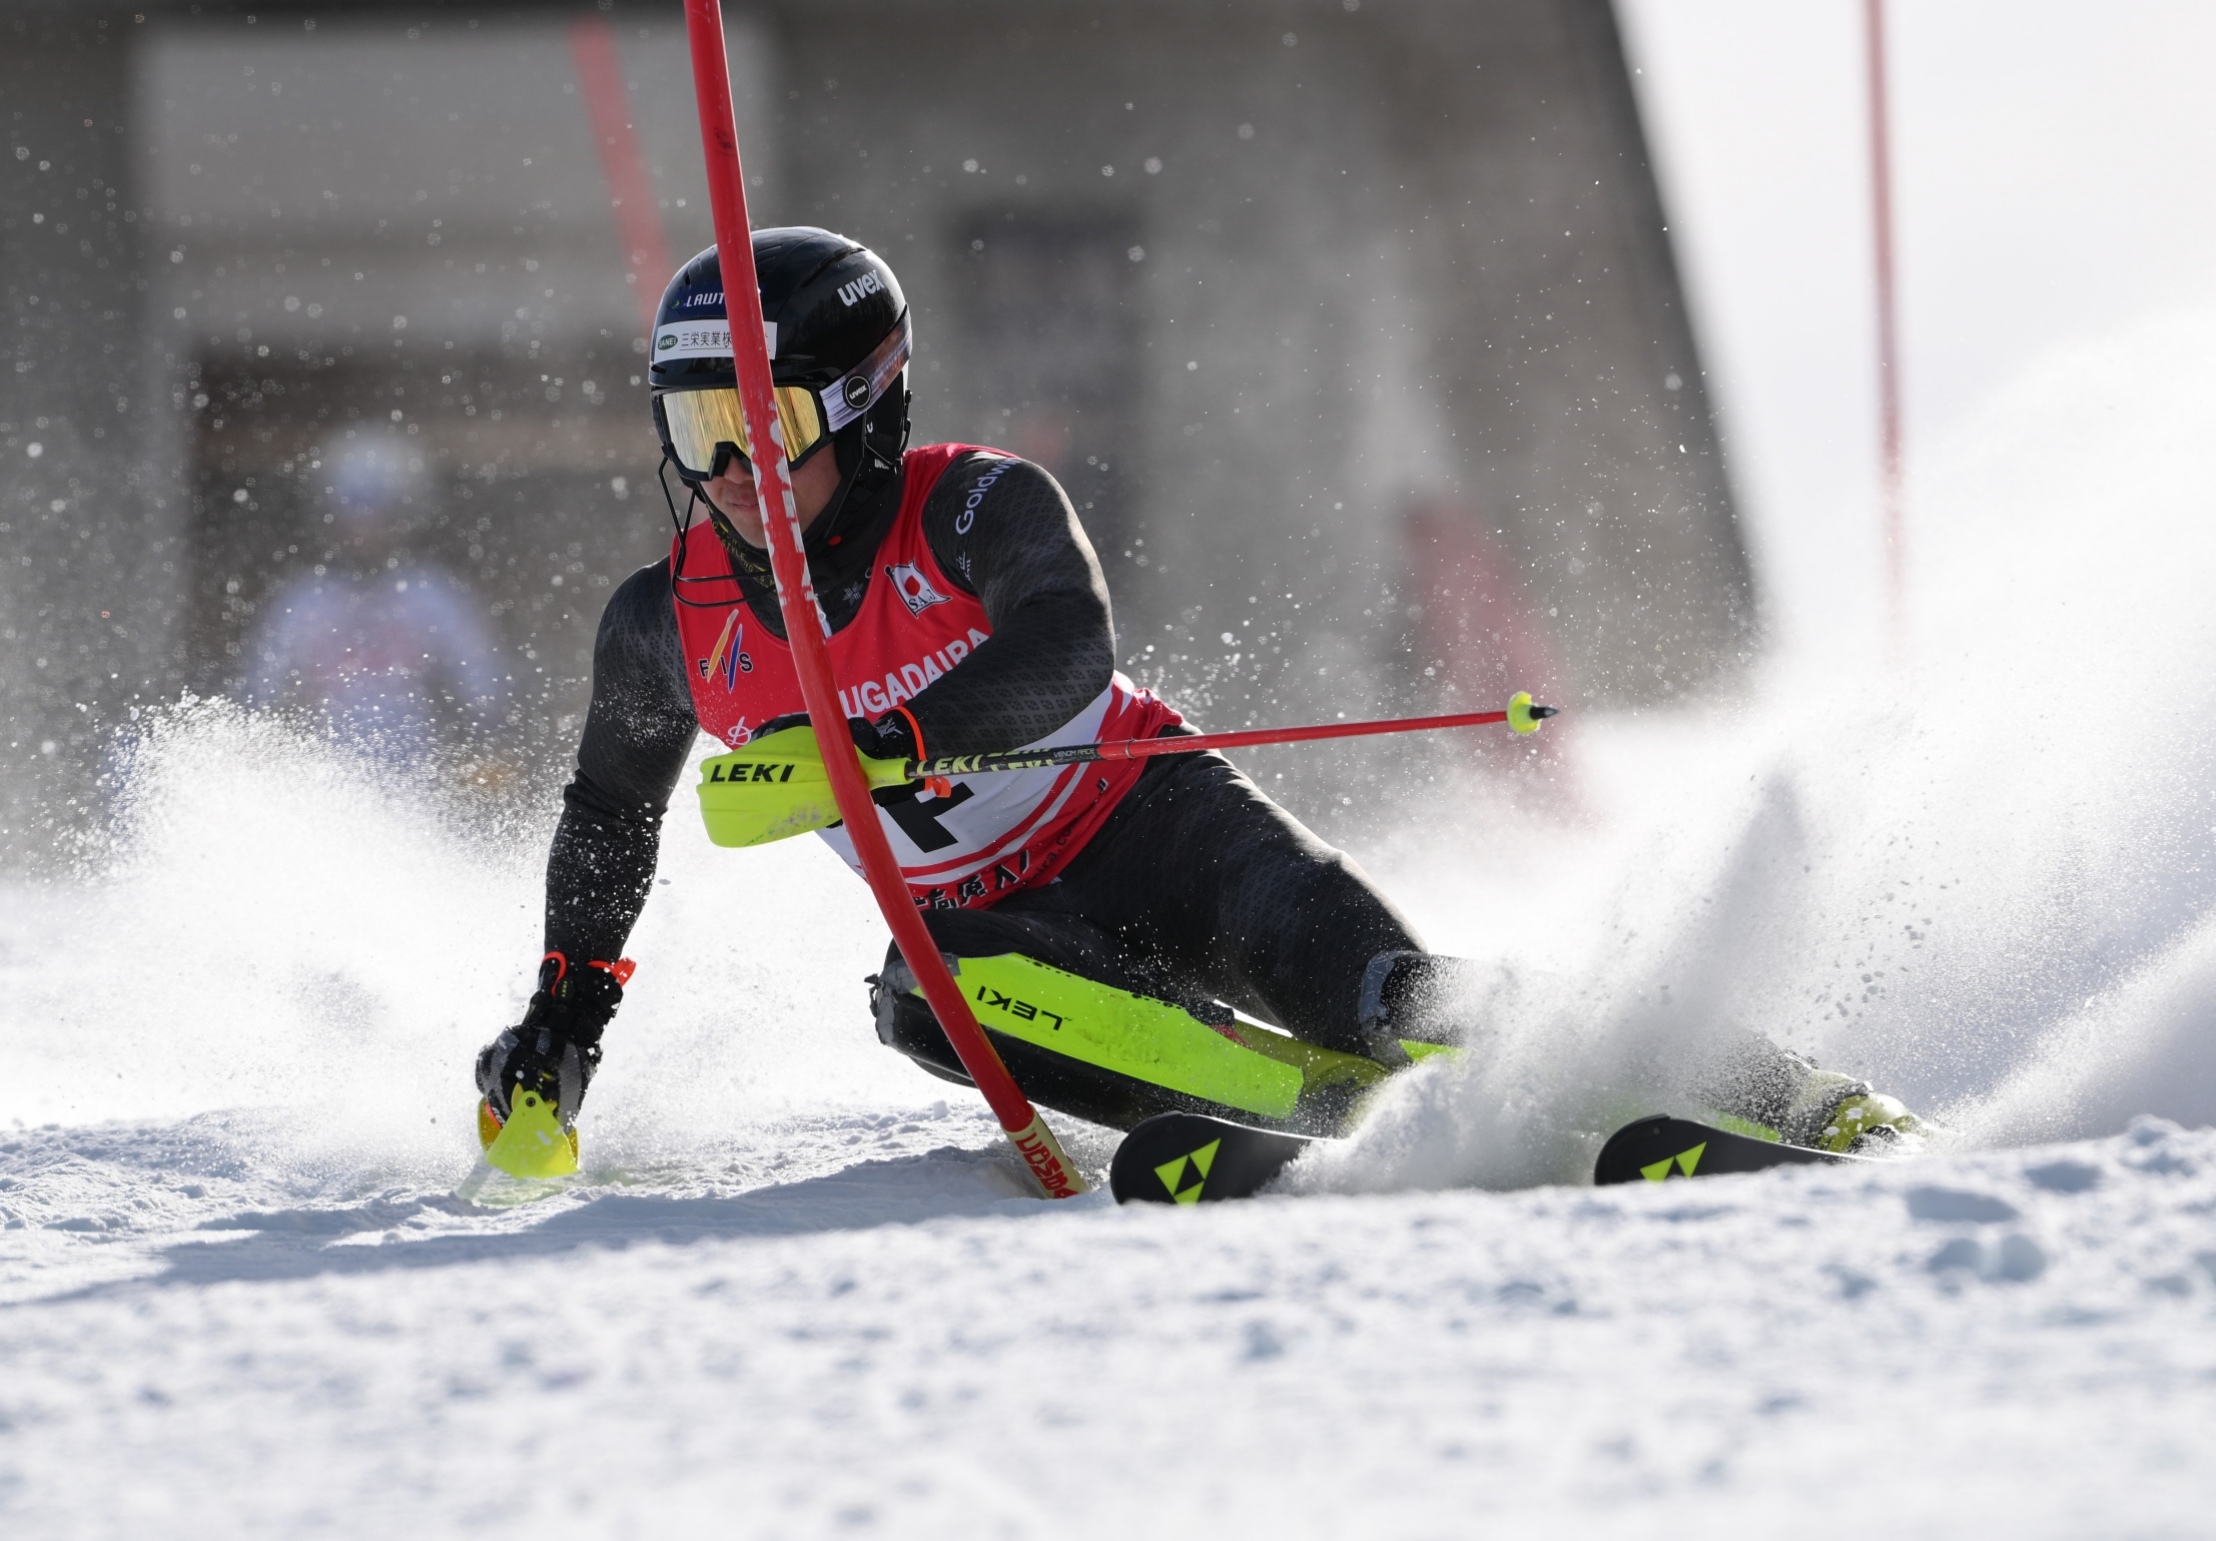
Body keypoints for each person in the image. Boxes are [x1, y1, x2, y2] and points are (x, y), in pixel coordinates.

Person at [472, 227, 1918, 1170]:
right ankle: (1314, 1128)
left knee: (1385, 998)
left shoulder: (974, 506)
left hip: (1161, 827)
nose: (731, 472)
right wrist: (563, 1018)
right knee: (927, 996)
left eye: (765, 424)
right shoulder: (666, 626)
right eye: (698, 430)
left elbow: (1066, 644)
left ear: (864, 406)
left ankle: (1792, 1098)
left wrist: (884, 740)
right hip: (1017, 937)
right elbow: (609, 815)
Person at [247, 433, 502, 765]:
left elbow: (484, 691)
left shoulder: (434, 597)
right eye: (352, 513)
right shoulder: (304, 601)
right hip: (322, 778)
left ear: (403, 516)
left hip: (422, 778)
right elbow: (261, 696)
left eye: (378, 513)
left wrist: (481, 748)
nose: (364, 529)